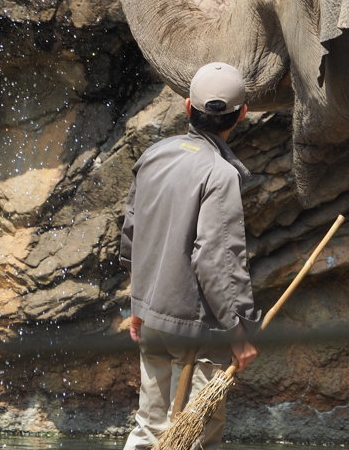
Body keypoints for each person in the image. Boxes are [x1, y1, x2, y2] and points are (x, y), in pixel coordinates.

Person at [119, 62, 261, 450]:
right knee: (197, 437)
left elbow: (133, 235)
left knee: (149, 429)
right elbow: (217, 257)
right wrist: (238, 330)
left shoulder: (153, 155)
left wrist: (138, 304)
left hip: (152, 318)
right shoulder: (220, 174)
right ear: (242, 114)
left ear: (187, 107)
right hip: (199, 329)